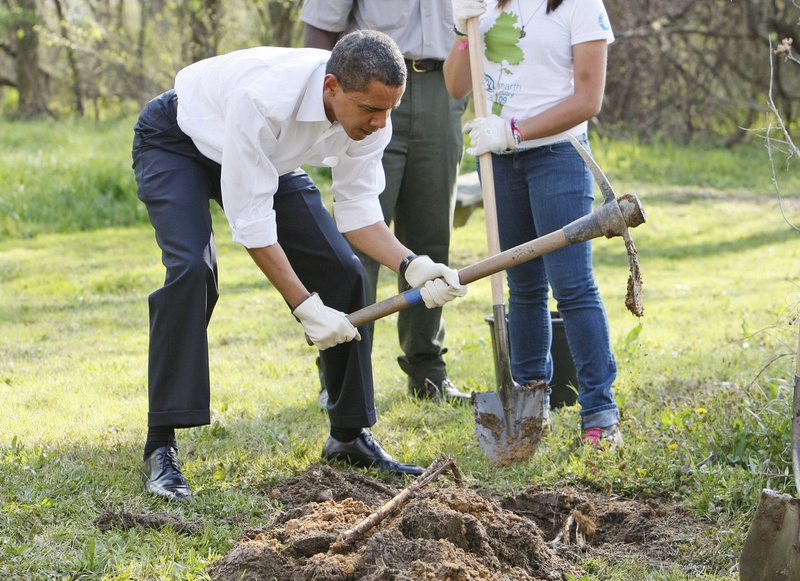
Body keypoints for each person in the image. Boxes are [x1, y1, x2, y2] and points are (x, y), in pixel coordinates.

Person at [132, 30, 468, 501]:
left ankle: (349, 436)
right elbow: (250, 220)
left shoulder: (375, 116)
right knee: (192, 271)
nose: (380, 122)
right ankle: (160, 445)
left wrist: (412, 265)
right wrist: (305, 306)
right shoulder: (265, 99)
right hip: (178, 140)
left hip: (268, 157)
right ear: (331, 88)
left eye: (389, 109)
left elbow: (358, 210)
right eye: (370, 109)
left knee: (345, 272)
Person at [444, 0, 623, 447]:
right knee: (523, 288)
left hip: (558, 156)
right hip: (501, 164)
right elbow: (455, 86)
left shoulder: (580, 5)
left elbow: (588, 100)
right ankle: (528, 409)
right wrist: (464, 31)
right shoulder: (483, 5)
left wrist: (515, 130)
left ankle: (600, 415)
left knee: (572, 285)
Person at [301, 0, 471, 404]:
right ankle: (341, 375)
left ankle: (427, 371)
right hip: (368, 88)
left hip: (442, 89)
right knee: (362, 243)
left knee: (431, 237)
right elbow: (319, 30)